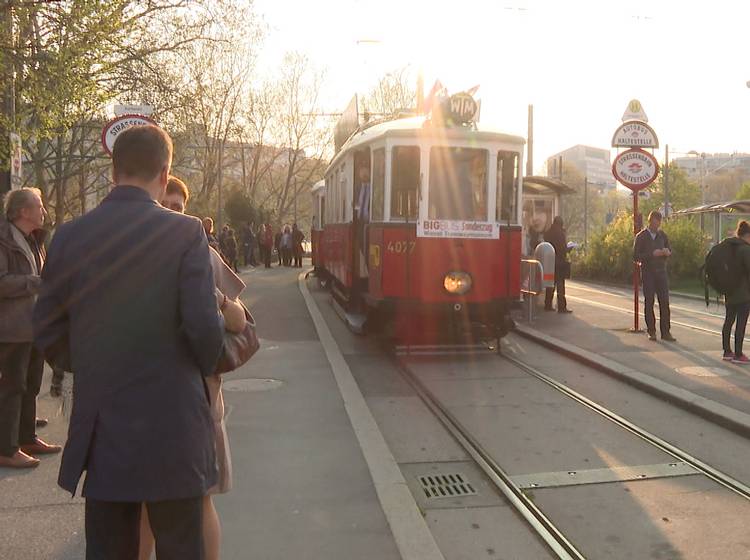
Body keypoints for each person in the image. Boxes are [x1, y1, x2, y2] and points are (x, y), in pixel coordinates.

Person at [33, 125, 225, 559]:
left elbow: (45, 327)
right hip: (174, 426)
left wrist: (91, 361)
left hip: (105, 429)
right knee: (181, 546)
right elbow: (204, 332)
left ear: (113, 171)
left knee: (109, 546)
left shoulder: (70, 237)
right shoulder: (185, 233)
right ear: (165, 173)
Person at [139, 175, 247, 560]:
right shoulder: (136, 253)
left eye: (178, 208)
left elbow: (241, 321)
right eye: (165, 206)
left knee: (201, 500)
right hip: (153, 400)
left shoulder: (205, 253)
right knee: (147, 506)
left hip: (202, 397)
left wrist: (215, 296)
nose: (172, 214)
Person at [0, 187, 61, 469]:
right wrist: (33, 282)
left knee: (31, 385)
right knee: (12, 387)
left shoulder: (34, 239)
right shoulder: (4, 240)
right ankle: (6, 447)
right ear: (23, 211)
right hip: (12, 329)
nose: (43, 212)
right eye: (38, 206)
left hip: (34, 326)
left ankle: (26, 437)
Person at [634, 210, 675, 341]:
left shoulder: (662, 235)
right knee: (649, 301)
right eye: (655, 223)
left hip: (661, 272)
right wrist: (652, 254)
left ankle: (666, 332)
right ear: (650, 221)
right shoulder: (641, 236)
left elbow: (669, 249)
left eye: (659, 223)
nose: (657, 226)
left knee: (664, 302)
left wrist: (667, 252)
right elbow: (635, 256)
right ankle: (651, 330)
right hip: (648, 273)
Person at [721, 221, 750, 363]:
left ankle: (727, 351)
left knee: (728, 321)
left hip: (729, 291)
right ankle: (738, 354)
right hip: (743, 293)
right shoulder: (745, 249)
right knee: (741, 323)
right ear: (747, 235)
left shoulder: (729, 247)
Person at [543, 216, 572, 313]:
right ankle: (561, 307)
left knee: (550, 284)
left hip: (549, 262)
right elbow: (563, 249)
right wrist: (570, 248)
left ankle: (547, 304)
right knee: (560, 285)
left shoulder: (548, 233)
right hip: (559, 263)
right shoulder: (560, 234)